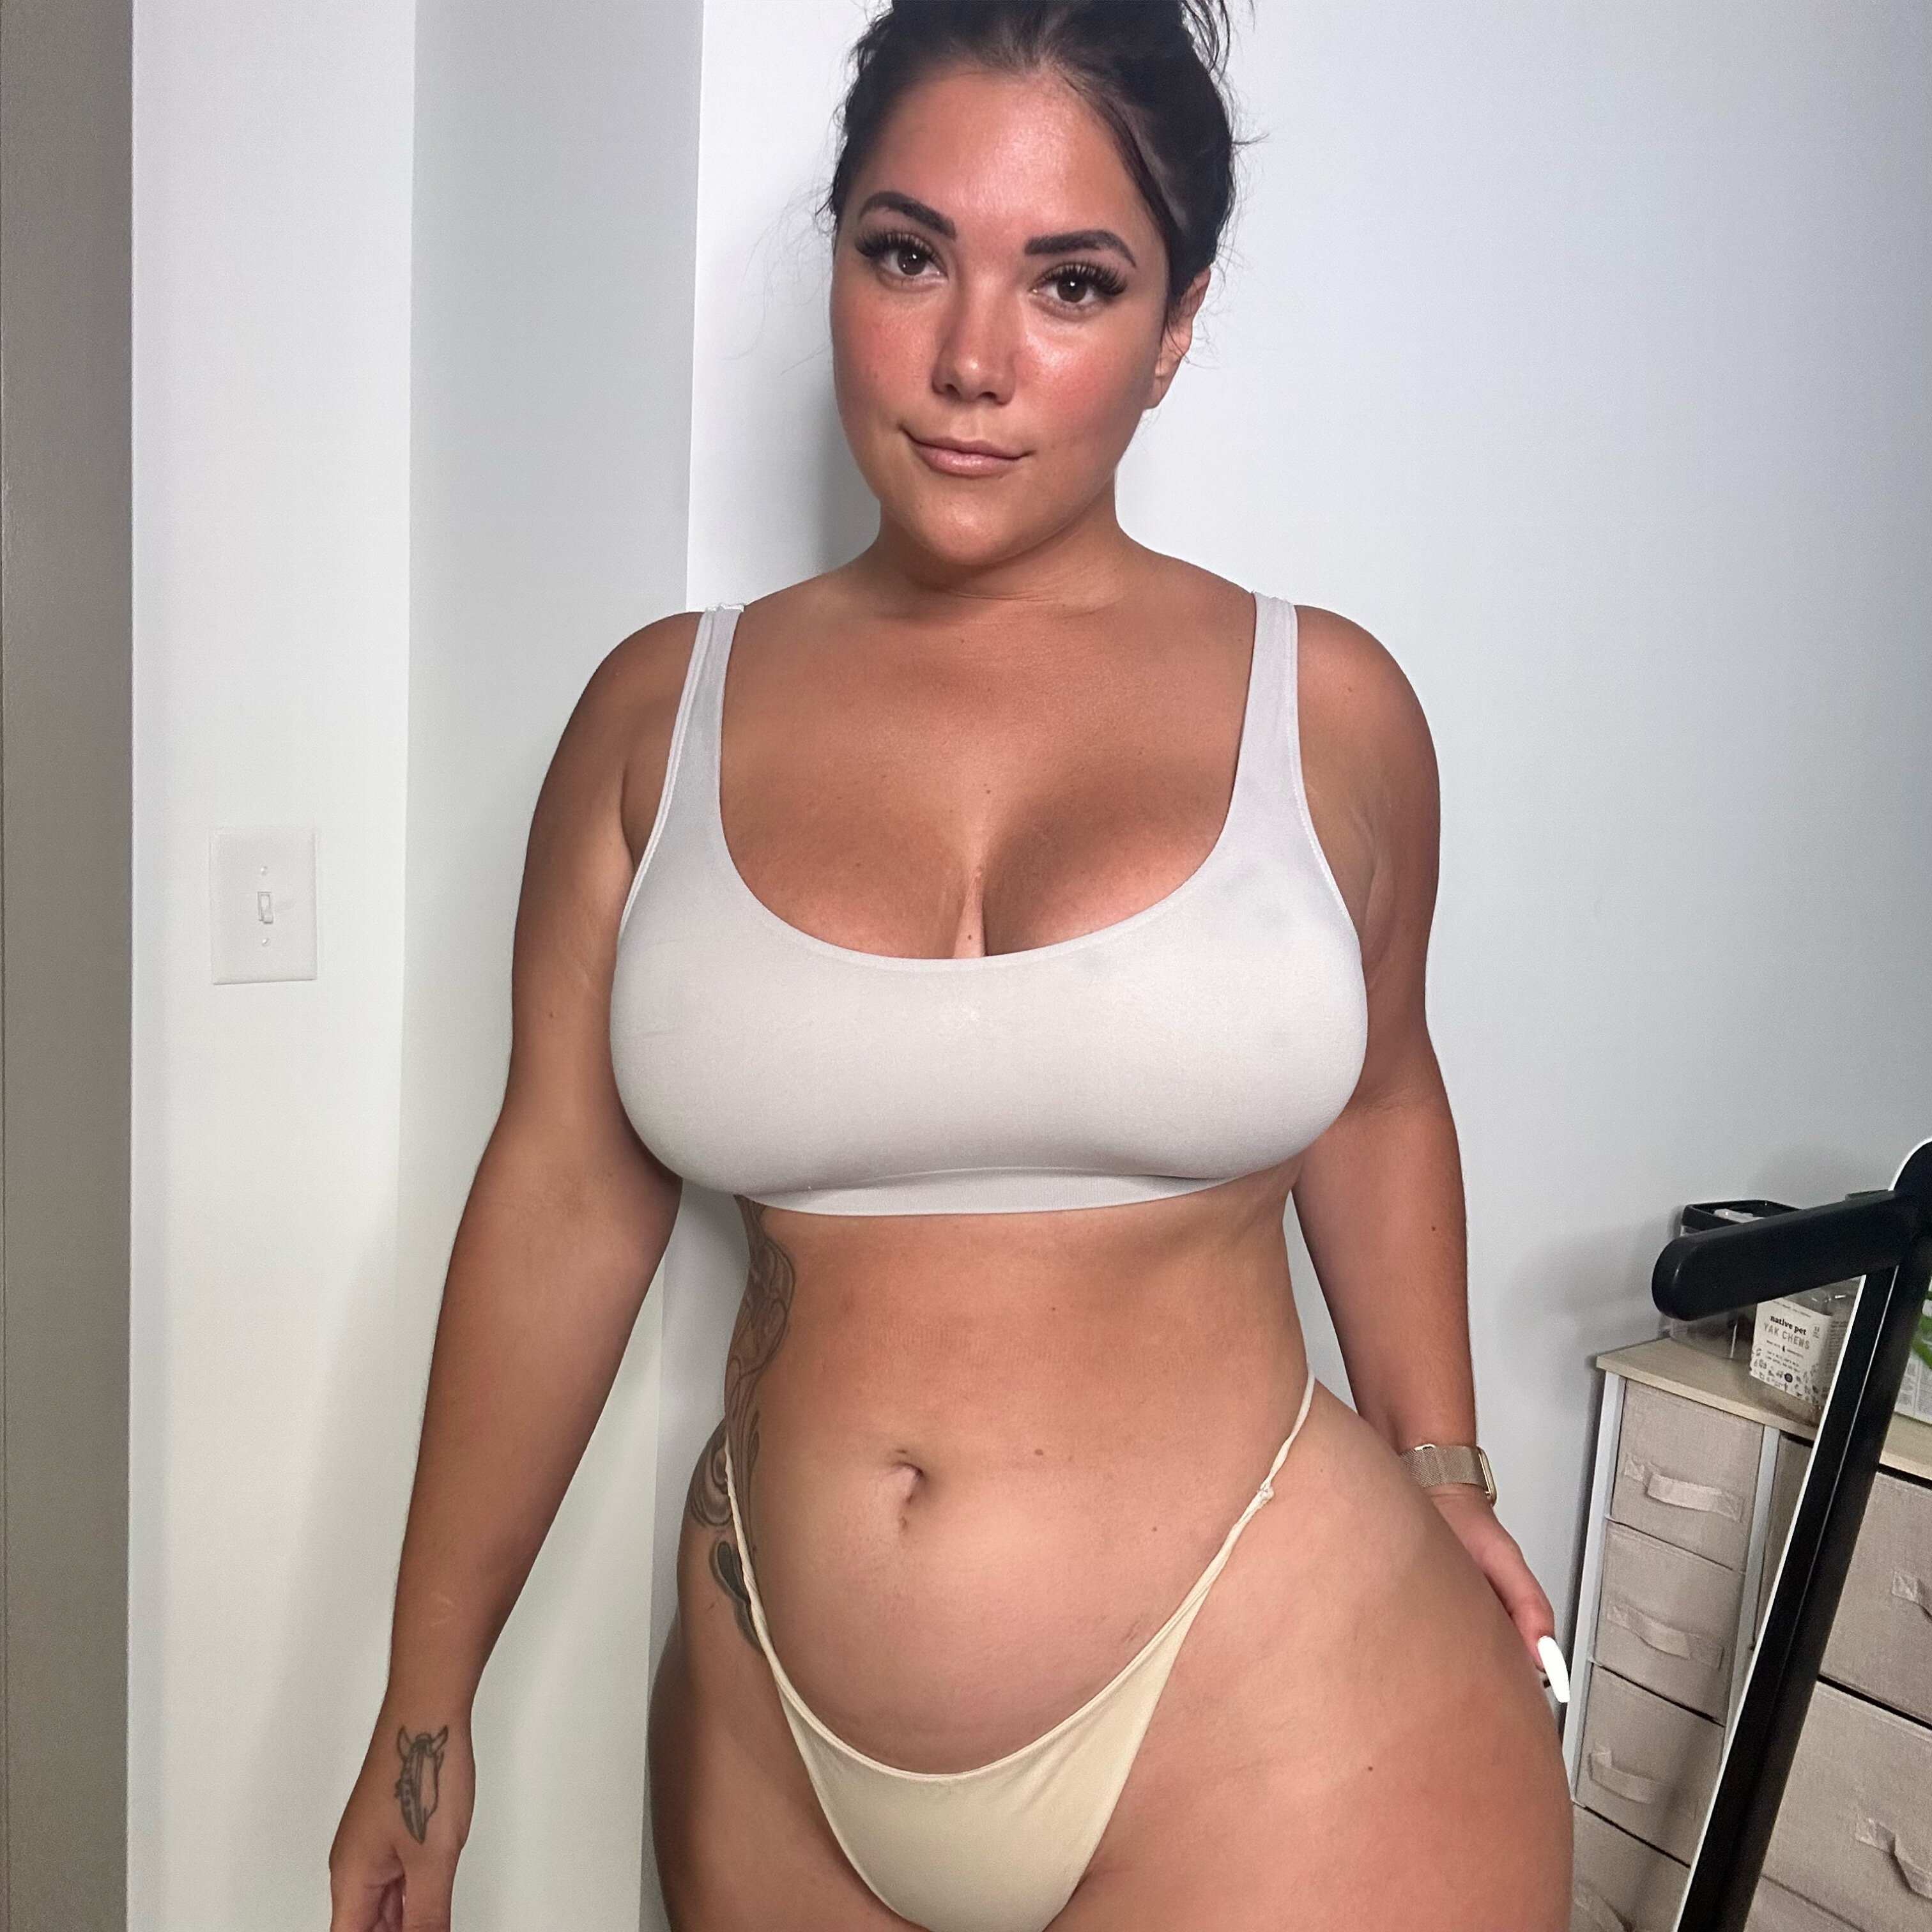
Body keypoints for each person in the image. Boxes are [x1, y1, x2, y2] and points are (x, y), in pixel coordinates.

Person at [328, 1, 1573, 1926]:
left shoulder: (1323, 708)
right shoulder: (660, 715)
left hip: (1284, 1711)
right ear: (838, 260)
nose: (973, 360)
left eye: (1073, 283)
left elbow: (1384, 1096)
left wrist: (1445, 1463)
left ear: (1174, 327)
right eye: (908, 255)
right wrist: (426, 1706)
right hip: (773, 1744)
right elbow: (564, 1197)